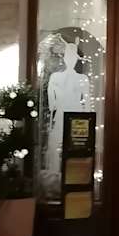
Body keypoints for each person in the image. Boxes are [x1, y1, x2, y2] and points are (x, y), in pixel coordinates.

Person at [45, 41, 90, 173]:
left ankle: (73, 172)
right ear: (64, 58)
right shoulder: (55, 77)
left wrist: (87, 119)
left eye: (72, 57)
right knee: (56, 144)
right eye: (68, 57)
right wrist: (53, 106)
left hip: (76, 116)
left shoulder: (82, 78)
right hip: (62, 114)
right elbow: (51, 100)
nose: (70, 60)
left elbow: (87, 102)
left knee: (75, 145)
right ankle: (56, 171)